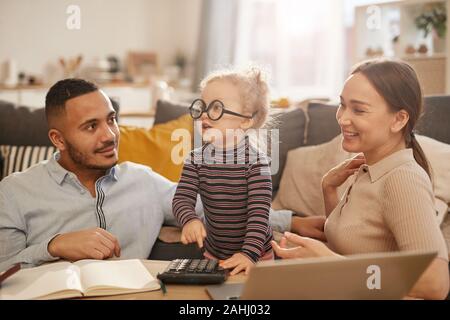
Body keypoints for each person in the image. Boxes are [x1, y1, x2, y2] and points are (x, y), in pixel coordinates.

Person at [0, 78, 323, 271]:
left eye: (112, 120)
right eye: (91, 127)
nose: (110, 135)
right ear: (58, 139)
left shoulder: (142, 181)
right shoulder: (15, 191)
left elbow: (216, 209)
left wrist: (291, 222)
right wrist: (53, 246)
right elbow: (4, 268)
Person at [271, 59, 449, 300]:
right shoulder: (368, 169)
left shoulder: (403, 179)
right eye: (342, 105)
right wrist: (329, 189)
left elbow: (435, 283)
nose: (342, 119)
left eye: (359, 110)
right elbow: (352, 243)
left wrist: (328, 263)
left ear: (399, 119)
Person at [173, 67, 275, 275]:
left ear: (245, 120)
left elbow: (259, 215)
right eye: (202, 106)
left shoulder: (256, 163)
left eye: (217, 108)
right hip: (214, 254)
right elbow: (181, 199)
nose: (203, 115)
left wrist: (248, 254)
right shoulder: (196, 159)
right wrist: (190, 219)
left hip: (257, 257)